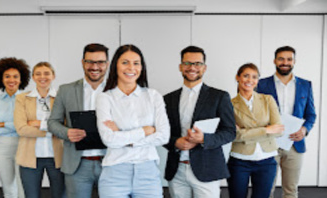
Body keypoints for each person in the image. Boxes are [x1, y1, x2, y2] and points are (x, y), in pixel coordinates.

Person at [95, 44, 170, 198]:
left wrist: (125, 138)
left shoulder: (153, 96)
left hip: (148, 173)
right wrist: (145, 131)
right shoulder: (105, 98)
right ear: (115, 65)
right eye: (125, 62)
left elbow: (164, 136)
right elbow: (109, 139)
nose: (131, 68)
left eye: (136, 63)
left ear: (142, 67)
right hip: (115, 174)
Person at [163, 45, 236, 198]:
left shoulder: (219, 96)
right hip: (176, 171)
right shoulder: (168, 99)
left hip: (207, 170)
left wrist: (204, 139)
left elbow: (230, 132)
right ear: (181, 67)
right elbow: (162, 133)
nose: (192, 68)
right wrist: (176, 142)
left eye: (197, 63)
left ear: (204, 68)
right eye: (187, 63)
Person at [48, 43, 110, 198]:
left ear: (107, 64)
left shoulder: (117, 90)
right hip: (77, 165)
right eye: (90, 62)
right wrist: (66, 132)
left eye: (100, 62)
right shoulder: (66, 90)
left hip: (111, 162)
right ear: (83, 62)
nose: (95, 67)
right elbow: (52, 122)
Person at [257, 46, 316, 198]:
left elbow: (311, 114)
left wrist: (304, 130)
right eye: (281, 59)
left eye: (289, 59)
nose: (285, 62)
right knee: (265, 190)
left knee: (291, 191)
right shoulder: (261, 84)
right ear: (274, 61)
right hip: (268, 143)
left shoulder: (305, 85)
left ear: (294, 61)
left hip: (295, 144)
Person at [228, 63, 284, 198]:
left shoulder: (267, 100)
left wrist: (246, 133)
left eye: (254, 77)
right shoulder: (229, 104)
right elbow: (233, 134)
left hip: (267, 160)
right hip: (239, 160)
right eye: (246, 76)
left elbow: (278, 130)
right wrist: (266, 130)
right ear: (238, 77)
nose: (250, 80)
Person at [14, 62, 65, 198]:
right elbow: (22, 129)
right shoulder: (22, 99)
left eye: (47, 73)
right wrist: (54, 129)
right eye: (38, 74)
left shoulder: (62, 97)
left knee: (60, 195)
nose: (43, 77)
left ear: (53, 76)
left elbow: (66, 126)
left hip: (58, 157)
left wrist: (40, 124)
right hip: (29, 157)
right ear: (33, 77)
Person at [0, 57, 30, 198]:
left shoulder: (28, 99)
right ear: (1, 79)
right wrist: (17, 126)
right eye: (7, 76)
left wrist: (1, 124)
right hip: (1, 149)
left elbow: (28, 127)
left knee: (23, 189)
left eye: (15, 76)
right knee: (9, 189)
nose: (11, 80)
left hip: (24, 146)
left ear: (21, 79)